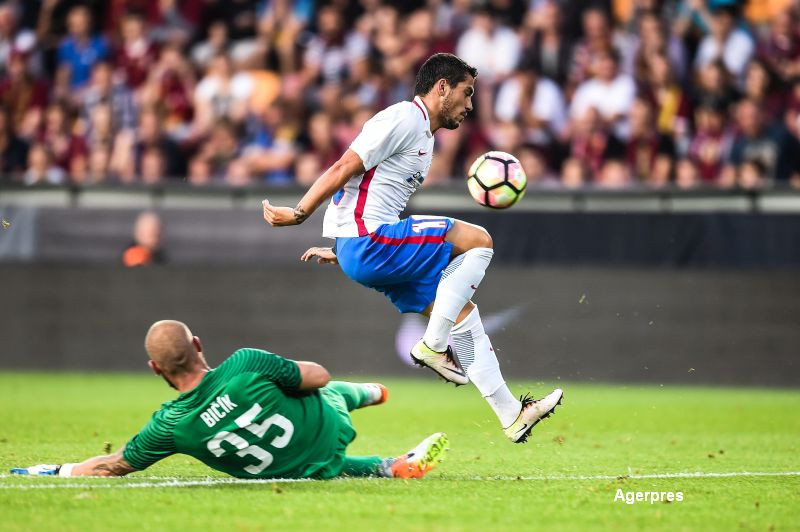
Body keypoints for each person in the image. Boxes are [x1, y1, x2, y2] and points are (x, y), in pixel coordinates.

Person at [262, 53, 563, 444]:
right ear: (442, 88)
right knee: (479, 241)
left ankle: (512, 414)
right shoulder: (403, 118)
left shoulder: (423, 135)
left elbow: (366, 193)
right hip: (369, 241)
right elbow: (344, 167)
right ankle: (434, 346)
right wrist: (301, 213)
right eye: (466, 93)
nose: (470, 105)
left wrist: (343, 248)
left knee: (463, 316)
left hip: (364, 247)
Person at [11, 320, 448, 480]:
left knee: (306, 465)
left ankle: (384, 466)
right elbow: (320, 376)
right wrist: (284, 372)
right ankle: (374, 395)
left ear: (156, 369)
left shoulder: (170, 426)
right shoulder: (244, 364)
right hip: (326, 428)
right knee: (324, 390)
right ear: (198, 345)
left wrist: (56, 469)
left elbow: (116, 464)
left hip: (288, 472)